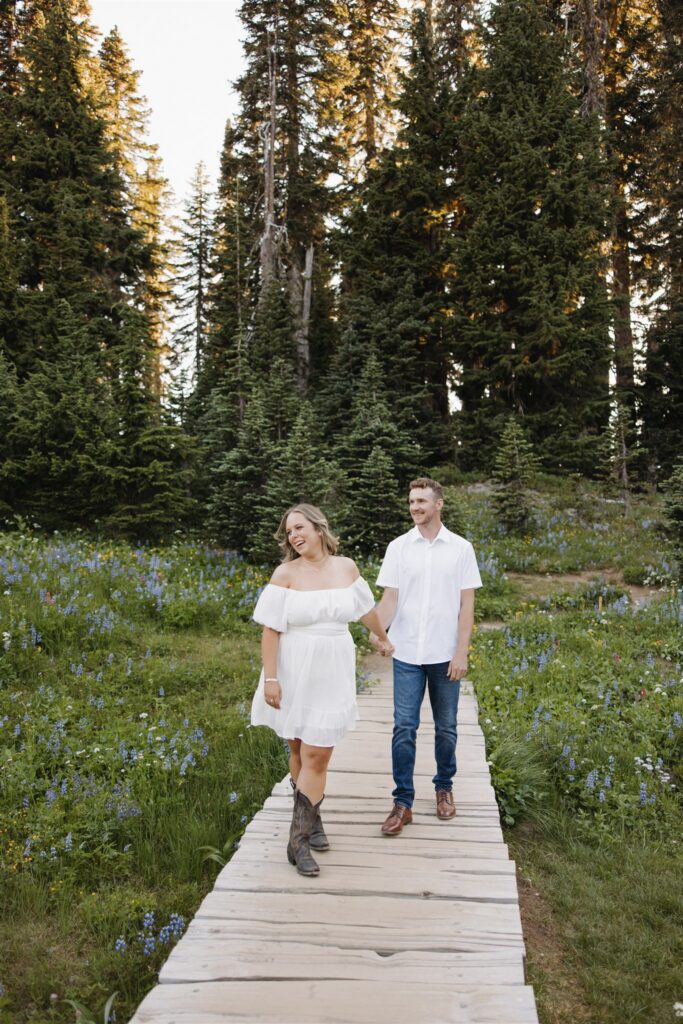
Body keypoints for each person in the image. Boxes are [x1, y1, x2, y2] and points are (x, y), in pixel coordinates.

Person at [251, 503, 394, 876]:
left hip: (332, 668)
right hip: (293, 667)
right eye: (289, 532)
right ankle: (312, 821)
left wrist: (381, 637)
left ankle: (296, 841)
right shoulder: (285, 574)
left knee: (317, 755)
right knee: (298, 749)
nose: (294, 536)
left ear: (318, 528)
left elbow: (365, 609)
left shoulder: (346, 567)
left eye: (299, 527)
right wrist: (271, 679)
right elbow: (270, 629)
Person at [371, 478, 482, 835]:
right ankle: (402, 802)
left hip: (445, 655)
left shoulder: (461, 549)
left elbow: (467, 606)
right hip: (407, 653)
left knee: (446, 727)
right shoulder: (399, 547)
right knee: (404, 727)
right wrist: (377, 631)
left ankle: (443, 788)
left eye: (421, 501)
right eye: (411, 501)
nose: (414, 507)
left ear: (438, 504)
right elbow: (390, 598)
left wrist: (461, 652)